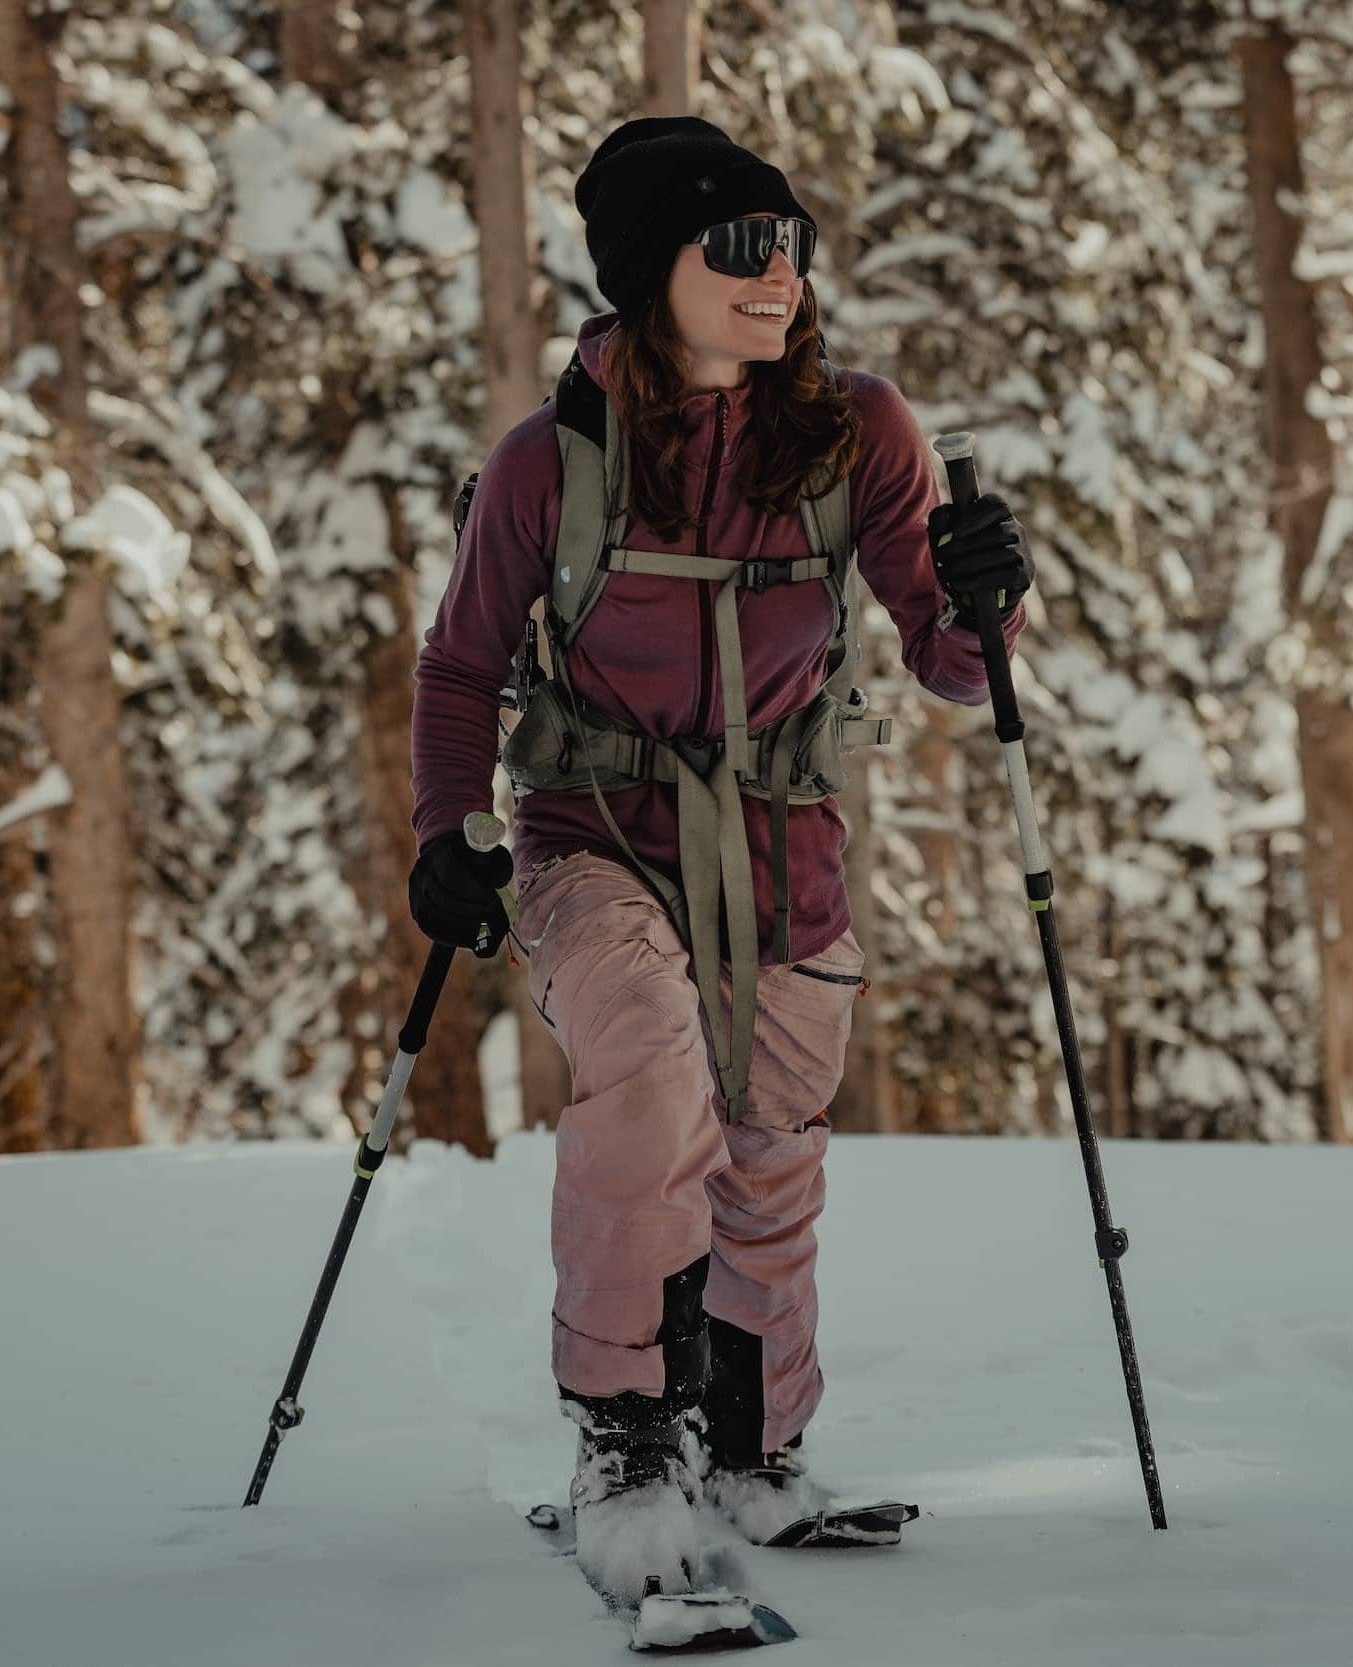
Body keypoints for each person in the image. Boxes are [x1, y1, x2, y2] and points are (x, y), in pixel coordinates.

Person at [408, 116, 1032, 1604]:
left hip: (785, 850)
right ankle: (627, 1442)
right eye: (739, 247)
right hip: (592, 839)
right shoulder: (548, 463)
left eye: (790, 246)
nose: (779, 276)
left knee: (770, 1151)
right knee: (645, 1076)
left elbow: (948, 665)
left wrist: (985, 600)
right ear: (647, 275)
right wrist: (450, 836)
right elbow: (459, 668)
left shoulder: (858, 434)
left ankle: (750, 1450)